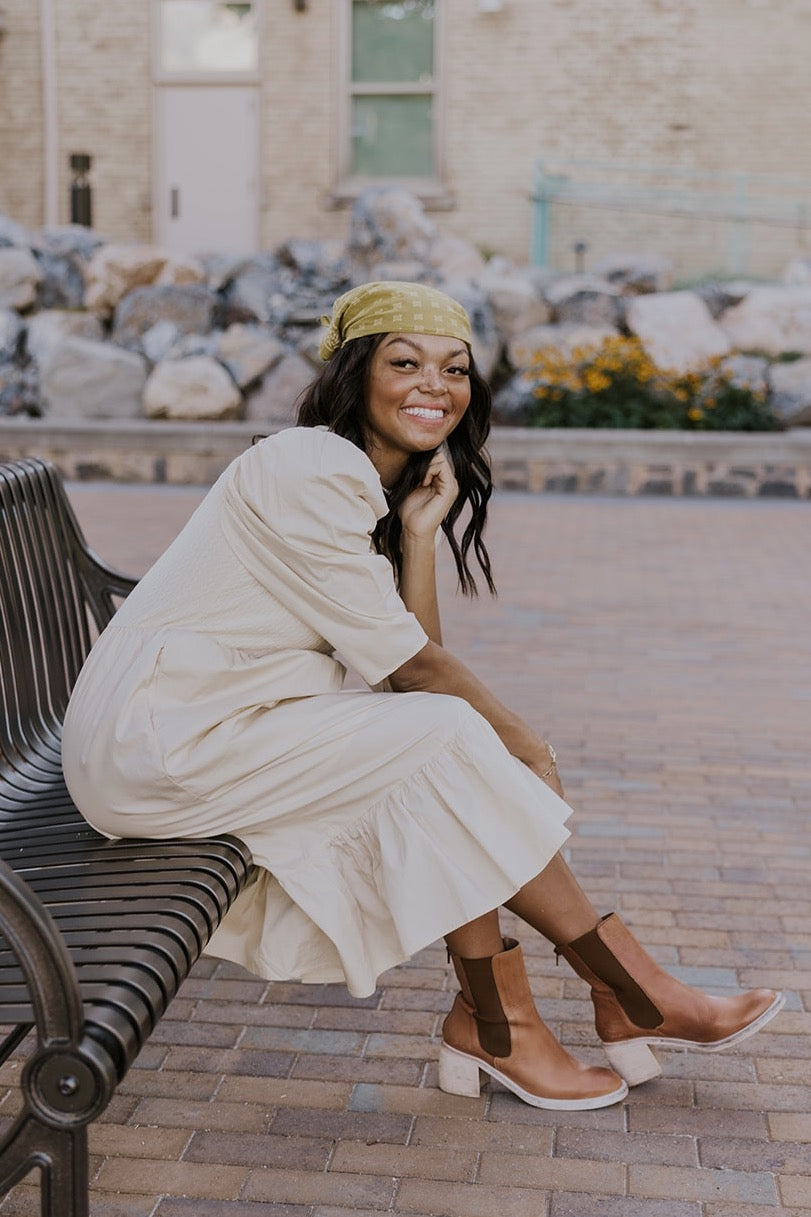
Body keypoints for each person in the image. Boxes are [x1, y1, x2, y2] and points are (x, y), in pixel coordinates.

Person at [61, 280, 784, 1112]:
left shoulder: (356, 484)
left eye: (454, 368)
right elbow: (411, 670)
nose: (432, 385)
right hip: (159, 745)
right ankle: (617, 993)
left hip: (200, 729)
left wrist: (416, 535)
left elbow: (410, 659)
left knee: (435, 752)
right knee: (447, 737)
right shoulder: (313, 465)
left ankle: (509, 1020)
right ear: (356, 374)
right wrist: (526, 742)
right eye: (404, 362)